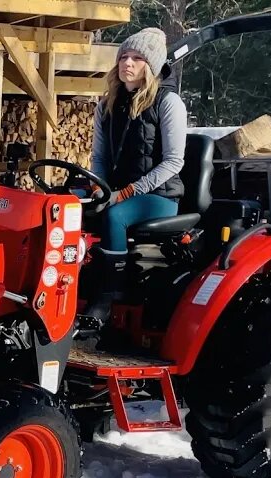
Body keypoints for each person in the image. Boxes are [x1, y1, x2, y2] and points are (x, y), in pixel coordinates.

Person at [86, 26, 188, 326]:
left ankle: (108, 295)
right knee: (65, 208)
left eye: (137, 59)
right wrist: (98, 187)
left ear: (152, 67)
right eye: (123, 57)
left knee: (115, 216)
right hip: (117, 193)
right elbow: (100, 158)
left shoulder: (169, 104)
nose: (127, 63)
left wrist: (126, 193)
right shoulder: (106, 106)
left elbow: (173, 162)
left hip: (160, 197)